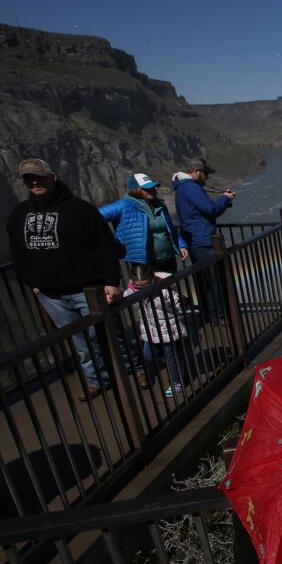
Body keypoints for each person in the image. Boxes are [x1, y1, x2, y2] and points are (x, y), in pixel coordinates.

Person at [6, 158, 122, 400]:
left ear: (53, 176)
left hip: (87, 289)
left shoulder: (81, 210)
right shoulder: (19, 214)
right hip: (50, 294)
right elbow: (17, 252)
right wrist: (31, 282)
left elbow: (104, 246)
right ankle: (96, 380)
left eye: (39, 176)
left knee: (104, 333)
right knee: (79, 341)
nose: (35, 182)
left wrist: (111, 280)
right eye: (29, 179)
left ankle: (124, 374)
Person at [173, 158, 235, 321]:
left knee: (205, 278)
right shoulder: (190, 188)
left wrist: (224, 201)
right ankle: (217, 315)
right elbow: (210, 209)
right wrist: (225, 198)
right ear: (195, 171)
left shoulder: (183, 188)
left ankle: (210, 313)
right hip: (202, 239)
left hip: (195, 238)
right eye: (205, 173)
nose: (206, 177)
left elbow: (207, 212)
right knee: (215, 278)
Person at [98, 173, 189, 275]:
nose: (152, 191)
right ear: (136, 190)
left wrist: (181, 245)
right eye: (147, 188)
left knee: (171, 290)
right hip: (144, 264)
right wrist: (113, 240)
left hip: (168, 259)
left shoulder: (160, 205)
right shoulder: (123, 206)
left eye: (152, 187)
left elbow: (169, 227)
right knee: (153, 290)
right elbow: (94, 217)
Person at [124, 264, 188, 397]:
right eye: (138, 287)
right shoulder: (131, 291)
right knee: (147, 355)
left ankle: (177, 382)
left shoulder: (165, 288)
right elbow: (125, 298)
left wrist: (179, 306)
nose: (142, 290)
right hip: (150, 329)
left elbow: (178, 304)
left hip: (167, 328)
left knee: (170, 357)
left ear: (153, 279)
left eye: (146, 285)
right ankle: (153, 374)